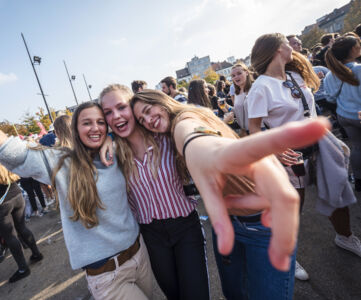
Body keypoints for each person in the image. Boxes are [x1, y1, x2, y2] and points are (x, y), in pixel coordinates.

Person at [0, 60, 154, 300]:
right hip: (107, 274)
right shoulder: (61, 161)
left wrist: (111, 136)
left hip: (141, 255)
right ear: (75, 129)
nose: (95, 129)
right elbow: (9, 149)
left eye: (101, 122)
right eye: (86, 123)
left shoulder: (117, 151)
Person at [129, 88, 329, 299]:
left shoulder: (183, 121)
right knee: (234, 294)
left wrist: (202, 148)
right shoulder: (171, 131)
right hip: (228, 223)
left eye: (149, 111)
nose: (148, 120)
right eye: (142, 119)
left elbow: (193, 135)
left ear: (162, 102)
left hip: (260, 224)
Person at [247, 33, 360, 281]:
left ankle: (345, 237)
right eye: (287, 44)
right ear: (277, 50)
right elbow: (254, 128)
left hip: (319, 145)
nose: (292, 47)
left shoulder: (294, 74)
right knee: (290, 209)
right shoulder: (260, 87)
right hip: (290, 155)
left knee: (337, 193)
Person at [100, 84, 210, 299]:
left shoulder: (167, 136)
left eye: (121, 107)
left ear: (133, 108)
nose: (116, 116)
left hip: (186, 227)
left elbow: (201, 135)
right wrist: (106, 139)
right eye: (108, 112)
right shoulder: (113, 157)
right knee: (174, 294)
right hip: (151, 237)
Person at [0, 146, 43, 282]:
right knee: (22, 227)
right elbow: (16, 178)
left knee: (10, 236)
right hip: (17, 197)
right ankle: (36, 254)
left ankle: (23, 268)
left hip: (0, 205)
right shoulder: (3, 162)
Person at [324, 33, 361, 192]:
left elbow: (330, 99)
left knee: (357, 148)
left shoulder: (330, 75)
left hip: (344, 116)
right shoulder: (358, 69)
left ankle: (358, 180)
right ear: (353, 49)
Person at [230, 63, 255, 136]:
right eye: (233, 76)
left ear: (246, 73)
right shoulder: (237, 92)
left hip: (259, 130)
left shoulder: (254, 88)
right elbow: (239, 110)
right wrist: (226, 107)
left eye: (239, 73)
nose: (236, 77)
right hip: (245, 132)